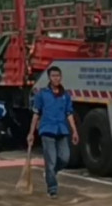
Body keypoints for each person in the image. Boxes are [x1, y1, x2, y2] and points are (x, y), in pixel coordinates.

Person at [27, 66, 80, 198]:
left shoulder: (65, 95)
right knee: (50, 160)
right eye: (53, 76)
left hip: (62, 130)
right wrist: (31, 133)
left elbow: (69, 114)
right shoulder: (42, 94)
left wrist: (74, 131)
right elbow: (36, 114)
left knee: (64, 158)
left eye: (58, 76)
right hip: (47, 130)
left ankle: (51, 172)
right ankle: (52, 189)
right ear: (49, 78)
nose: (56, 78)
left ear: (61, 77)